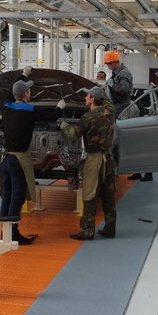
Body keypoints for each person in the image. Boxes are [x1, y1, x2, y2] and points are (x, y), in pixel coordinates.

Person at [0, 67, 66, 245]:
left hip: (6, 159)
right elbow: (51, 117)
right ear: (26, 94)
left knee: (8, 194)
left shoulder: (6, 107)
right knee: (17, 196)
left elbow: (11, 90)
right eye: (28, 90)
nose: (30, 92)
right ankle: (14, 234)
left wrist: (24, 75)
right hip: (19, 161)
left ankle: (5, 233)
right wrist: (60, 107)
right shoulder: (29, 110)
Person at [61, 86, 117, 240]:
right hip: (108, 158)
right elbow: (108, 102)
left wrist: (63, 124)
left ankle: (87, 230)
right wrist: (100, 90)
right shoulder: (110, 112)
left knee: (90, 193)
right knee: (108, 195)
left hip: (94, 159)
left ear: (92, 100)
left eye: (87, 96)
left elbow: (73, 134)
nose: (85, 98)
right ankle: (110, 229)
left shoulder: (88, 117)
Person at [104, 49, 152, 182]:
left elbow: (124, 89)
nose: (108, 67)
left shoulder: (124, 73)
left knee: (129, 142)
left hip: (122, 110)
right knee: (128, 143)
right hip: (119, 109)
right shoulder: (117, 73)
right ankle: (136, 170)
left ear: (115, 62)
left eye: (109, 64)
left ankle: (146, 172)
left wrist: (112, 84)